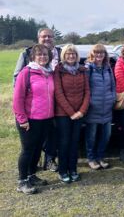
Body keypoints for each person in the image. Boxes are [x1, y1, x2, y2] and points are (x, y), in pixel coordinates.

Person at [14, 28, 61, 172]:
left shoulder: (55, 60)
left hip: (51, 111)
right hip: (31, 111)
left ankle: (42, 166)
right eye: (43, 36)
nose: (47, 39)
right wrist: (21, 115)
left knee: (46, 141)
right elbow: (18, 86)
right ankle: (25, 177)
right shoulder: (26, 64)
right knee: (29, 146)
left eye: (50, 36)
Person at [13, 44, 54, 194]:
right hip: (29, 119)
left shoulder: (49, 73)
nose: (43, 57)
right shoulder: (27, 72)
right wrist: (22, 119)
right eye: (40, 55)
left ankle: (32, 175)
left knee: (37, 149)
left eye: (45, 54)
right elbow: (18, 98)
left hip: (46, 119)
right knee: (27, 150)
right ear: (33, 57)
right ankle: (22, 181)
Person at [54, 44, 90, 183]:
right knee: (64, 142)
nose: (71, 56)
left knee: (74, 142)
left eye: (73, 54)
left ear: (77, 56)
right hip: (63, 114)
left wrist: (82, 111)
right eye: (68, 54)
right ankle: (63, 171)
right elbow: (58, 93)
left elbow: (87, 91)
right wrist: (71, 112)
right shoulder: (59, 70)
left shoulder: (82, 70)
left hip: (79, 113)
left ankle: (73, 169)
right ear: (64, 55)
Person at [85, 44, 116, 170]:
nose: (99, 55)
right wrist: (90, 102)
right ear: (92, 54)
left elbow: (113, 86)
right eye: (97, 53)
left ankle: (100, 157)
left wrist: (113, 98)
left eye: (102, 53)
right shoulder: (88, 68)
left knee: (106, 135)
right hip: (93, 109)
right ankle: (91, 159)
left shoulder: (108, 68)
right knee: (91, 136)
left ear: (105, 54)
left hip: (107, 108)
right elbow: (85, 88)